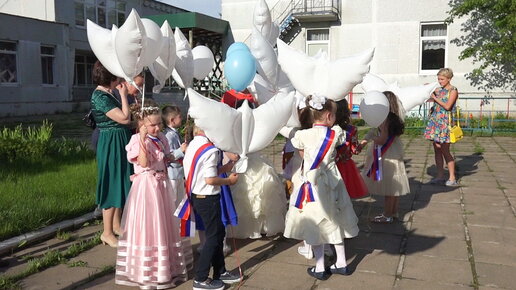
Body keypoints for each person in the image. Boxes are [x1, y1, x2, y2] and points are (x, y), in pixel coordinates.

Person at [284, 94, 359, 280]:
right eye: (333, 114)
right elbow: (341, 143)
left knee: (315, 222)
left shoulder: (303, 135)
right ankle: (341, 263)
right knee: (337, 220)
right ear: (328, 116)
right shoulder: (335, 133)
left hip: (312, 185)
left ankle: (320, 267)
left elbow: (301, 153)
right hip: (333, 184)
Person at [115, 101, 187, 289]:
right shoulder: (137, 141)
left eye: (159, 124)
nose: (157, 128)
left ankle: (164, 267)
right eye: (153, 125)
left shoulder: (161, 137)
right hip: (147, 186)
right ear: (142, 125)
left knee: (163, 225)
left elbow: (168, 157)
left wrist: (178, 155)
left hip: (161, 185)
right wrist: (142, 139)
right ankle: (146, 270)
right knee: (149, 225)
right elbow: (144, 162)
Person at [181, 125, 242, 290]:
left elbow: (205, 172)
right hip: (207, 197)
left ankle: (220, 271)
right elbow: (210, 179)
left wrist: (225, 168)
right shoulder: (210, 150)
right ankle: (200, 278)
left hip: (198, 195)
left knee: (218, 232)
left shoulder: (194, 144)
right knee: (213, 237)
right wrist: (228, 181)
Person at [225, 101, 287, 239]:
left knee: (256, 194)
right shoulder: (254, 126)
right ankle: (260, 227)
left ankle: (255, 227)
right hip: (250, 162)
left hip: (248, 162)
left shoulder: (235, 128)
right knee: (253, 194)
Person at [90, 61, 132, 247]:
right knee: (111, 183)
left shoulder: (107, 93)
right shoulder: (100, 96)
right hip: (111, 143)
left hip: (119, 141)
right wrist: (123, 95)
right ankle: (106, 233)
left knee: (119, 182)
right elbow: (124, 118)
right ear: (110, 77)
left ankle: (115, 225)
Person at [358, 91, 410, 223]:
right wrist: (365, 140)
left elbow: (382, 140)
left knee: (389, 188)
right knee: (394, 188)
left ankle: (387, 215)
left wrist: (372, 140)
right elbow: (373, 131)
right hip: (395, 153)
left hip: (386, 156)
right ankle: (393, 212)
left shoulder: (385, 120)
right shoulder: (394, 118)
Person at [162, 105, 194, 268]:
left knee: (181, 202)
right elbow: (169, 156)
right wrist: (182, 150)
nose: (181, 119)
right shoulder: (168, 135)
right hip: (173, 175)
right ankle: (175, 233)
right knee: (175, 203)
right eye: (179, 117)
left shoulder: (173, 133)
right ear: (172, 120)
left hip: (179, 174)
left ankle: (180, 234)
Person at [423, 68, 460, 186]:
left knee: (445, 150)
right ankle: (440, 176)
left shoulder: (453, 90)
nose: (439, 81)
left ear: (449, 78)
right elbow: (429, 99)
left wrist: (435, 98)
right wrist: (425, 91)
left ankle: (452, 178)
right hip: (436, 121)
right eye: (438, 79)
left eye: (442, 79)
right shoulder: (438, 90)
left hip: (445, 122)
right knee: (437, 149)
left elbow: (448, 106)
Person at [91, 73, 144, 151]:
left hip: (121, 137)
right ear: (126, 83)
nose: (141, 88)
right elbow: (124, 120)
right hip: (110, 138)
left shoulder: (131, 97)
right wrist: (139, 123)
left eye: (142, 85)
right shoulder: (116, 95)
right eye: (138, 85)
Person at [335, 99, 368, 199]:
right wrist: (364, 142)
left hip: (331, 165)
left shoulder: (328, 129)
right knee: (345, 195)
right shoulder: (352, 129)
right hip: (346, 166)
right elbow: (355, 150)